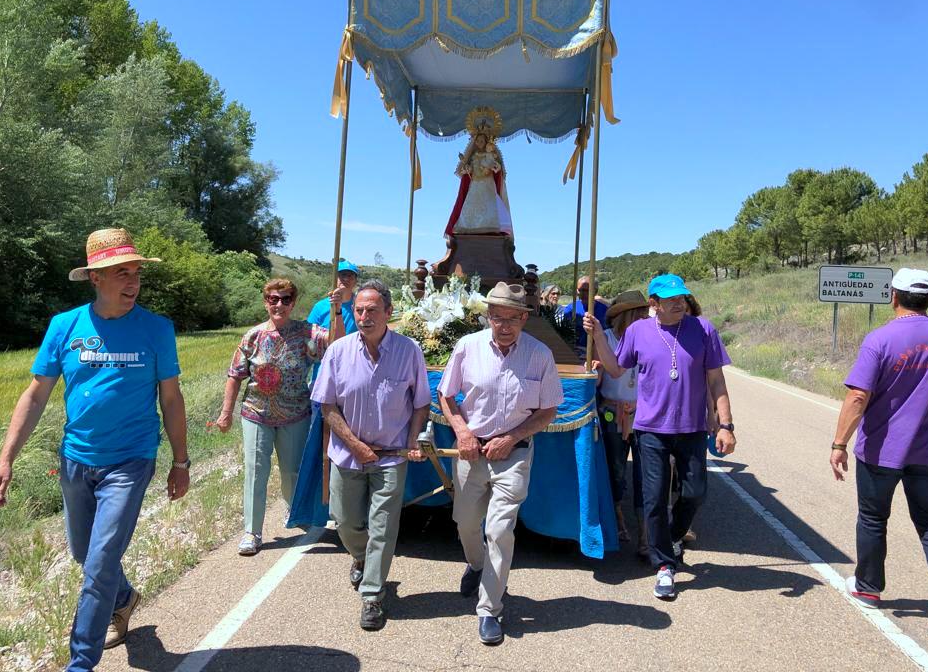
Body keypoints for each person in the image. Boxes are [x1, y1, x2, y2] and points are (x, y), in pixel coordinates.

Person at [0, 228, 190, 672]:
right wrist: (5, 460)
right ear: (95, 278)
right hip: (76, 458)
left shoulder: (156, 329)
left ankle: (80, 663)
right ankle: (124, 597)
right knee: (84, 553)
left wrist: (180, 460)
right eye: (121, 273)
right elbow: (36, 394)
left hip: (131, 461)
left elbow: (171, 399)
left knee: (98, 564)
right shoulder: (65, 326)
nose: (132, 281)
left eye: (136, 273)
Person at [830, 268, 928, 644]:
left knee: (873, 519)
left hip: (881, 451)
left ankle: (868, 587)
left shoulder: (880, 339)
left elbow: (858, 396)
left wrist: (839, 444)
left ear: (893, 296)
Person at [585, 273, 735, 601]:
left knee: (695, 493)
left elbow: (717, 381)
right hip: (650, 429)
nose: (679, 302)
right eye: (671, 299)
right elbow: (614, 369)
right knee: (653, 499)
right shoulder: (639, 331)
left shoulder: (704, 329)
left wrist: (726, 424)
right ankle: (665, 565)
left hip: (692, 428)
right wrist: (597, 335)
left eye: (682, 296)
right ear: (654, 304)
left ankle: (673, 536)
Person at [439, 282, 564, 645]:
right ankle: (477, 566)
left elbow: (550, 408)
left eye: (512, 318)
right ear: (487, 316)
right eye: (497, 317)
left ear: (524, 318)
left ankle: (489, 610)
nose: (504, 325)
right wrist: (461, 431)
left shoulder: (539, 355)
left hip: (515, 454)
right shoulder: (468, 347)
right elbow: (446, 395)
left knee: (498, 530)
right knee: (465, 522)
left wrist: (511, 438)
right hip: (470, 452)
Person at [311, 279, 430, 631]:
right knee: (346, 522)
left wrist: (412, 439)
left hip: (391, 457)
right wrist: (354, 444)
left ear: (389, 313)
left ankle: (373, 595)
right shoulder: (338, 351)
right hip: (348, 455)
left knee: (383, 526)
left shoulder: (410, 351)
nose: (364, 316)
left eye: (372, 310)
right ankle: (362, 557)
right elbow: (327, 406)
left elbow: (421, 404)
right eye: (359, 310)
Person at [217, 278, 320, 555]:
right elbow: (235, 375)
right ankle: (252, 531)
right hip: (256, 413)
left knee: (292, 471)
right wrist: (226, 413)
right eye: (273, 299)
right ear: (266, 302)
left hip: (295, 414)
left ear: (293, 302)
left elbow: (336, 342)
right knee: (255, 472)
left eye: (285, 299)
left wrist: (336, 310)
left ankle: (295, 512)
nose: (279, 304)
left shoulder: (307, 332)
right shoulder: (253, 336)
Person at [597, 290, 650, 553]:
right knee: (616, 472)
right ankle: (617, 517)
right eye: (639, 313)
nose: (645, 317)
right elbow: (601, 378)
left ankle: (645, 535)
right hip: (611, 414)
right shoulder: (605, 339)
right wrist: (594, 370)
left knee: (646, 476)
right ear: (626, 315)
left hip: (645, 416)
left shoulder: (650, 339)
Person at [445, 106, 513, 237]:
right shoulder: (473, 156)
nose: (480, 143)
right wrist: (467, 169)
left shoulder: (491, 155)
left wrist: (496, 168)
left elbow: (498, 169)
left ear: (487, 141)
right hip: (475, 185)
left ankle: (491, 229)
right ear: (475, 142)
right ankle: (467, 228)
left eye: (482, 140)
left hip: (488, 184)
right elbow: (464, 170)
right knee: (472, 207)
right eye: (478, 140)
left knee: (490, 206)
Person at [307, 258, 359, 336]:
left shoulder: (361, 307)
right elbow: (308, 333)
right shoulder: (320, 307)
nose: (346, 279)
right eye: (342, 275)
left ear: (355, 281)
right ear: (335, 278)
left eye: (350, 276)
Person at [559, 275, 609, 353]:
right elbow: (564, 333)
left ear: (595, 291)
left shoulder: (605, 311)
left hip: (599, 352)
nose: (582, 293)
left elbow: (609, 336)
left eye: (586, 290)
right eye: (580, 290)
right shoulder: (571, 309)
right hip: (576, 351)